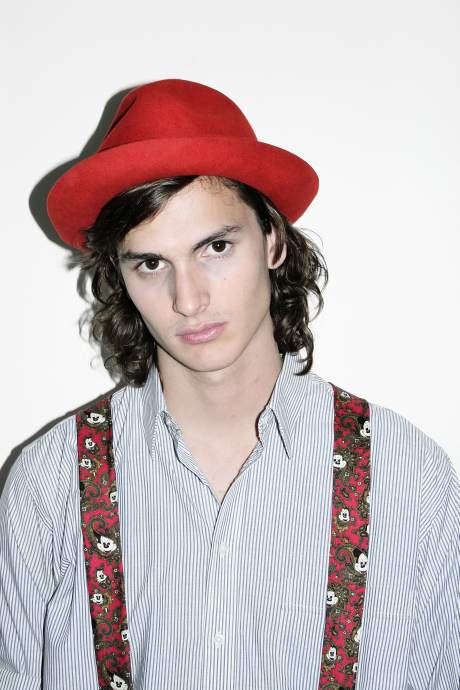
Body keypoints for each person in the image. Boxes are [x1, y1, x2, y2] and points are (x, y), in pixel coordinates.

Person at [1, 78, 458, 690]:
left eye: (215, 246)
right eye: (151, 263)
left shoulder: (410, 477)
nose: (188, 300)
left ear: (273, 240)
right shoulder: (48, 485)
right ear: (120, 276)